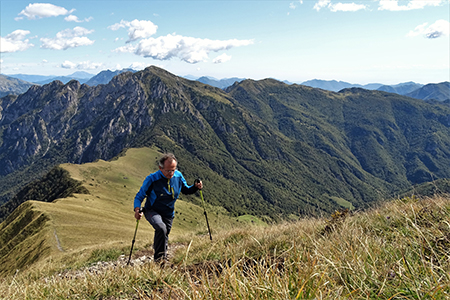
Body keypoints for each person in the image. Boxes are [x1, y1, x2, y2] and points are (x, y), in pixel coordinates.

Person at [133, 153, 202, 264]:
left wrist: (195, 187)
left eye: (173, 170)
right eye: (168, 171)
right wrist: (137, 209)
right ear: (160, 168)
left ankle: (162, 256)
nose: (171, 173)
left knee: (164, 234)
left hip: (168, 213)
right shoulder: (152, 179)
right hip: (152, 210)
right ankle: (160, 262)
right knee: (161, 228)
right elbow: (139, 196)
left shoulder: (178, 176)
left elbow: (186, 190)